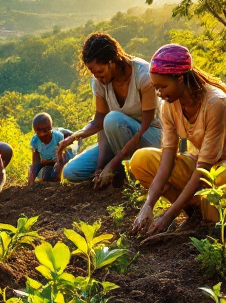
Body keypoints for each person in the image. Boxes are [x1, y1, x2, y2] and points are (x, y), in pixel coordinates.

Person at [128, 44, 226, 238]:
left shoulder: (216, 103)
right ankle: (195, 211)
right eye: (156, 88)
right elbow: (167, 157)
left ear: (180, 79)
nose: (159, 93)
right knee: (142, 159)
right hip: (198, 164)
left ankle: (210, 220)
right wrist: (148, 206)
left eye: (163, 87)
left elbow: (205, 167)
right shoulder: (169, 105)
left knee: (221, 180)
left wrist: (168, 216)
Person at [58, 33, 161, 189]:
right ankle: (113, 173)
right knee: (72, 172)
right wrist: (74, 137)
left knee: (113, 119)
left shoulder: (143, 75)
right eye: (93, 74)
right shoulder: (100, 82)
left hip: (151, 137)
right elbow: (100, 123)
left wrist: (112, 163)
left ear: (112, 61)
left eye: (100, 72)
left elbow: (143, 129)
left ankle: (133, 179)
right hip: (119, 140)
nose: (97, 77)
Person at [28, 112, 73, 184]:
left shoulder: (58, 137)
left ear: (51, 128)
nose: (42, 134)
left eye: (45, 131)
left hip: (59, 162)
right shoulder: (35, 141)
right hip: (46, 163)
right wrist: (31, 179)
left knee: (56, 176)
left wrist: (52, 162)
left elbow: (61, 159)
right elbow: (35, 163)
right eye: (39, 131)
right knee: (43, 173)